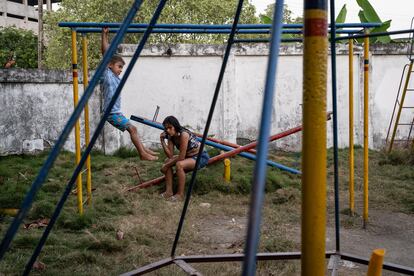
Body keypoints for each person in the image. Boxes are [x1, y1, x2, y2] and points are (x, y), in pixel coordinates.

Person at [101, 27, 157, 161]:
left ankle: (144, 150)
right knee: (132, 129)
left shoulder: (115, 77)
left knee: (134, 129)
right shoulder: (107, 75)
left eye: (121, 67)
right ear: (109, 65)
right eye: (119, 66)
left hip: (116, 112)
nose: (121, 69)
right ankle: (142, 154)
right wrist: (104, 35)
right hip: (111, 114)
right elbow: (106, 54)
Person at [160, 116, 209, 201]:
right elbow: (170, 156)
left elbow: (181, 157)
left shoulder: (184, 134)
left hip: (200, 156)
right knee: (167, 161)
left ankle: (180, 194)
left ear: (175, 126)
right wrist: (162, 141)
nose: (167, 130)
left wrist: (166, 166)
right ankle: (169, 192)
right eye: (166, 128)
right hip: (189, 156)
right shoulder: (171, 137)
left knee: (179, 165)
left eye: (170, 127)